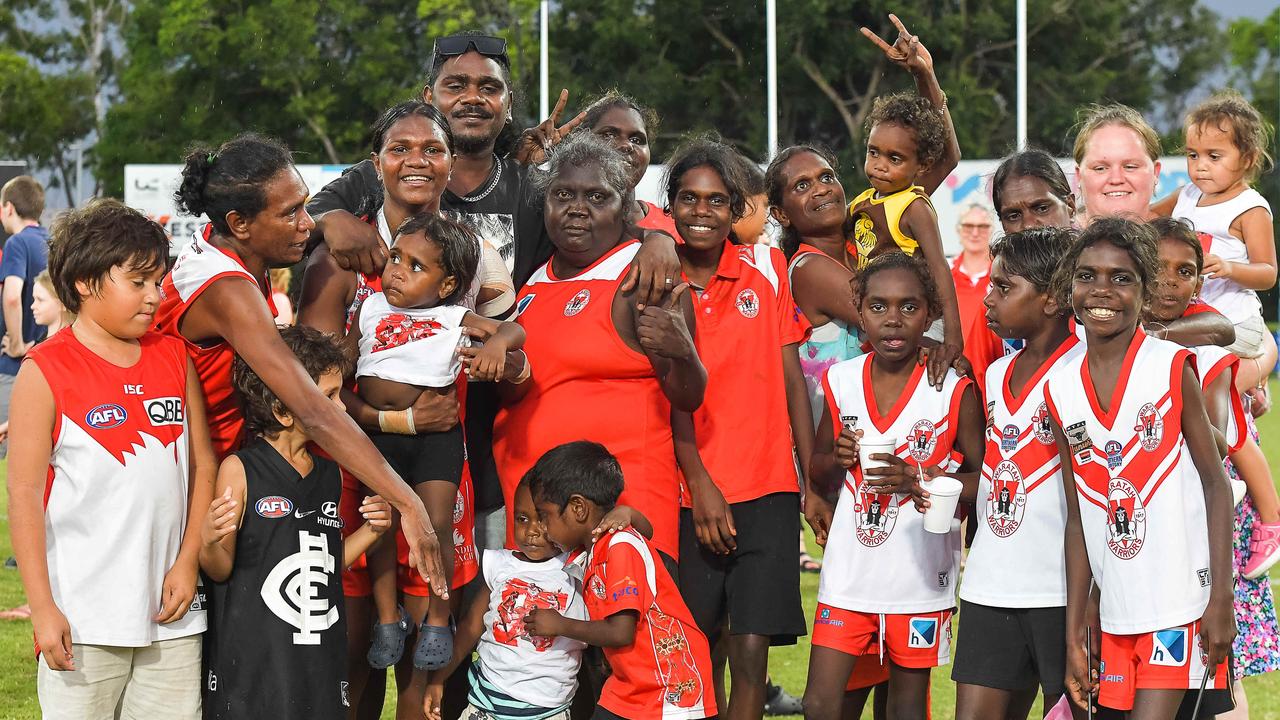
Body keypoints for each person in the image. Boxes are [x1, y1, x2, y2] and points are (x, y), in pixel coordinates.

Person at [307, 37, 680, 556]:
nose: (472, 98)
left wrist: (658, 237)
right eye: (455, 85)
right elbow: (304, 214)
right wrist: (330, 219)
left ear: (507, 104)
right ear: (428, 95)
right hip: (390, 422)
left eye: (490, 88)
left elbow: (606, 220)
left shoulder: (533, 187)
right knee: (379, 573)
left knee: (483, 583)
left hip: (493, 423)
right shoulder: (396, 174)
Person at [154, 132, 448, 595]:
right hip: (192, 485)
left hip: (208, 467)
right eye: (291, 212)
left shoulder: (224, 239)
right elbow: (310, 407)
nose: (304, 224)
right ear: (241, 222)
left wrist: (331, 219)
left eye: (306, 206)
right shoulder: (228, 290)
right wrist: (407, 502)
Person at [297, 100, 480, 719]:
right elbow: (310, 384)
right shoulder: (342, 253)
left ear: (453, 163)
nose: (416, 161)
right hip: (354, 467)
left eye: (432, 149)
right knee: (354, 650)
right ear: (375, 163)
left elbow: (500, 342)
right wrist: (392, 420)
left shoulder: (469, 252)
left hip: (438, 460)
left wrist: (506, 360)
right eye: (399, 148)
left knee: (426, 660)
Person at [8, 199, 214, 719]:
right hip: (83, 619)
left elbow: (203, 465)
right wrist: (43, 608)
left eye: (158, 281)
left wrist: (188, 561)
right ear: (84, 281)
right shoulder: (45, 369)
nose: (154, 296)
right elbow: (24, 493)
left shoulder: (173, 354)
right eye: (138, 282)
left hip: (172, 616)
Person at [1045, 218, 1234, 716]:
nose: (1101, 290)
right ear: (1069, 287)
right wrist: (1074, 630)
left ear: (1145, 291)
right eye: (1087, 276)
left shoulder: (1170, 367)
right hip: (1116, 609)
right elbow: (1077, 518)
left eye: (1121, 278)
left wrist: (1221, 600)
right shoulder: (1060, 389)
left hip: (1180, 604)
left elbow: (1217, 487)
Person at [491, 132, 706, 570]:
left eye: (597, 196)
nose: (576, 208)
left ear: (624, 207)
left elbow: (688, 396)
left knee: (622, 636)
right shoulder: (533, 280)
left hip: (619, 511)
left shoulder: (641, 276)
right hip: (538, 516)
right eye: (563, 194)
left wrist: (684, 354)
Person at [663, 137, 811, 719]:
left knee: (751, 652)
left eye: (717, 201)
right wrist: (698, 482)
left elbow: (791, 375)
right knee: (697, 650)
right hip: (685, 490)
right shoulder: (653, 275)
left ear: (734, 211)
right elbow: (667, 389)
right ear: (671, 206)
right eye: (689, 199)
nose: (702, 211)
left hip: (768, 487)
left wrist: (809, 475)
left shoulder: (768, 268)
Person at [804, 252, 984, 720]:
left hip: (919, 577)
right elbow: (820, 468)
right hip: (849, 572)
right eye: (879, 306)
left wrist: (918, 478)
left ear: (931, 314)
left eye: (909, 307)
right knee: (819, 703)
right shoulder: (842, 380)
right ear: (859, 311)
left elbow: (985, 481)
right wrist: (837, 457)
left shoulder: (952, 388)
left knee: (905, 706)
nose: (893, 320)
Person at [350, 212, 527, 672]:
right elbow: (345, 366)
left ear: (447, 284)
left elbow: (514, 330)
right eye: (395, 258)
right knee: (381, 526)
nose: (396, 271)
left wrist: (495, 347)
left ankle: (437, 615)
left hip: (438, 441)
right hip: (378, 438)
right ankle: (387, 616)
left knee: (436, 526)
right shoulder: (369, 307)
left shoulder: (452, 317)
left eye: (415, 267)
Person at [200, 325, 393, 720]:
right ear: (282, 410)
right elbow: (220, 569)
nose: (341, 409)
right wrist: (208, 540)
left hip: (317, 655)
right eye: (327, 397)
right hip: (255, 660)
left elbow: (324, 565)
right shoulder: (240, 469)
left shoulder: (331, 474)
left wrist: (371, 531)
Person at [1143, 217, 1280, 715]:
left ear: (1200, 282)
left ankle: (1268, 515)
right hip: (1133, 526)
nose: (1168, 281)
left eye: (1185, 272)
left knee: (1211, 676)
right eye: (1157, 268)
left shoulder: (1206, 346)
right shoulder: (1110, 329)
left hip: (1194, 522)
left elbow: (1217, 440)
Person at [950, 226, 1085, 720]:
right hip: (990, 582)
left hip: (1060, 590)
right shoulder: (995, 374)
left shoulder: (1082, 371)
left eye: (1004, 288)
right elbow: (996, 476)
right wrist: (921, 478)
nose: (988, 298)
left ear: (1051, 300)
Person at [525, 441, 718, 720]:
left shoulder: (618, 547)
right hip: (630, 686)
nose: (542, 528)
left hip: (669, 687)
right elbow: (647, 531)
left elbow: (621, 632)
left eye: (545, 515)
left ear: (578, 508)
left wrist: (559, 624)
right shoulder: (596, 548)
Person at [847, 15, 964, 384]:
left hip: (923, 327)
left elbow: (940, 271)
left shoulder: (913, 204)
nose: (881, 166)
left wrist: (954, 339)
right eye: (874, 152)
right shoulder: (862, 201)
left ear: (920, 165)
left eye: (895, 159)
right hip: (880, 327)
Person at [1156, 91, 1276, 387]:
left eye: (1214, 156)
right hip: (1197, 322)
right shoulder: (1186, 195)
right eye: (1192, 155)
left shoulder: (1250, 208)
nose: (1200, 165)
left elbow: (1268, 273)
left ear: (1248, 158)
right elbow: (1144, 219)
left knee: (1198, 383)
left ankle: (1229, 430)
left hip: (1235, 325)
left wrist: (1230, 268)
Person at [0, 175, 49, 457]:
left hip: (14, 366)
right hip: (47, 363)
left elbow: (11, 295)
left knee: (9, 453)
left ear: (8, 208)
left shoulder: (17, 243)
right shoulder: (54, 240)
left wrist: (18, 344)